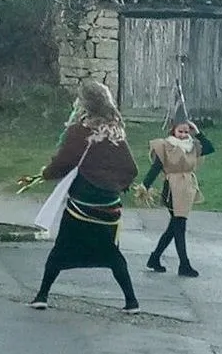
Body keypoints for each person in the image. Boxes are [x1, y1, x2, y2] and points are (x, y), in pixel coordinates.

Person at [29, 81, 140, 314]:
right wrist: (118, 186)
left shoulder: (78, 131)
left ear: (85, 104)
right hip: (109, 209)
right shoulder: (115, 131)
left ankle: (42, 295)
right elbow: (131, 168)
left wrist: (45, 174)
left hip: (82, 207)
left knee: (61, 248)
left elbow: (62, 163)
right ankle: (132, 301)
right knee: (112, 253)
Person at [140, 100, 215, 277]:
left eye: (186, 131)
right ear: (173, 130)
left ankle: (155, 258)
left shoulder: (192, 146)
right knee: (179, 226)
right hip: (172, 188)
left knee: (174, 227)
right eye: (180, 131)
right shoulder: (166, 146)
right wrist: (145, 185)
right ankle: (184, 264)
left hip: (186, 189)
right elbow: (156, 168)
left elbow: (210, 148)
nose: (183, 135)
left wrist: (198, 133)